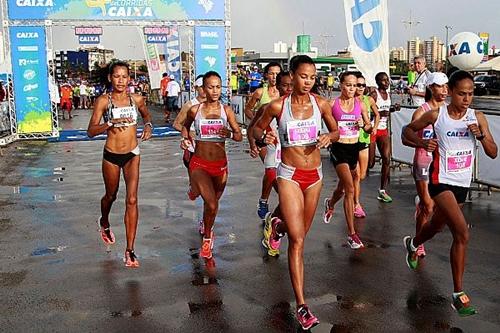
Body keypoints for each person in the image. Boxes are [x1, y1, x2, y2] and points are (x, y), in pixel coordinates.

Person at [253, 55, 339, 330]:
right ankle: (302, 305)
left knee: (299, 232)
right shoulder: (278, 105)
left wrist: (329, 137)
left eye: (313, 77)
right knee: (298, 240)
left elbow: (337, 129)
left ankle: (277, 226)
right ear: (293, 75)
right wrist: (262, 136)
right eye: (304, 76)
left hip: (314, 177)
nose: (308, 81)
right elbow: (255, 126)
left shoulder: (321, 103)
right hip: (288, 174)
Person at [402, 70, 497, 317]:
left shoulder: (477, 117)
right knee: (462, 233)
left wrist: (482, 134)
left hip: (462, 183)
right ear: (451, 93)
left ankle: (413, 243)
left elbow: (493, 152)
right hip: (440, 180)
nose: (467, 99)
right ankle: (458, 294)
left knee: (436, 225)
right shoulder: (437, 115)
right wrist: (422, 143)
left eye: (471, 93)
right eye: (462, 94)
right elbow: (406, 132)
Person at [87, 61, 153, 268]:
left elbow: (146, 114)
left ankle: (130, 250)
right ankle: (104, 222)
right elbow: (90, 131)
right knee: (111, 195)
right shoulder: (103, 102)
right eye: (117, 76)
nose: (121, 80)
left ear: (129, 79)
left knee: (132, 200)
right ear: (110, 78)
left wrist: (148, 125)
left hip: (133, 153)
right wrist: (108, 124)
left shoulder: (136, 99)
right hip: (112, 155)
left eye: (125, 77)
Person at [180, 71, 243, 260]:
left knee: (212, 206)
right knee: (212, 203)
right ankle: (207, 239)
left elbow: (239, 136)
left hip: (220, 165)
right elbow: (185, 126)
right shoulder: (195, 110)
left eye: (218, 87)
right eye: (210, 87)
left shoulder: (227, 111)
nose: (215, 91)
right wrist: (185, 139)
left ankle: (206, 223)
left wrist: (230, 134)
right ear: (203, 89)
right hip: (199, 163)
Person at [323, 72, 372, 248]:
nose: (352, 89)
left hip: (354, 149)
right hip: (338, 149)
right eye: (349, 85)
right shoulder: (332, 104)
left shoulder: (360, 104)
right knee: (350, 188)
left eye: (355, 85)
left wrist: (363, 125)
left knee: (342, 189)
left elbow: (369, 128)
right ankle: (351, 234)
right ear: (341, 85)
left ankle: (330, 203)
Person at [402, 72, 448, 258]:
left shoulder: (448, 111)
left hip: (441, 165)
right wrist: (422, 144)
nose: (444, 90)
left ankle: (421, 203)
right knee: (428, 207)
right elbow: (405, 138)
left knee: (436, 208)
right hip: (423, 161)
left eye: (446, 86)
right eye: (439, 86)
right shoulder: (422, 111)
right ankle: (418, 243)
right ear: (430, 87)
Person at [255, 71, 293, 256]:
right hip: (273, 160)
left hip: (293, 164)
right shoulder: (269, 107)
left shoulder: (305, 108)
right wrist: (260, 139)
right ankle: (275, 232)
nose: (289, 89)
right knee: (288, 201)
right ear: (277, 87)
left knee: (290, 204)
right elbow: (253, 129)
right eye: (285, 85)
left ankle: (274, 222)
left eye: (292, 85)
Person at [244, 62, 282, 219]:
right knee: (271, 170)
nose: (274, 77)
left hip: (279, 138)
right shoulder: (260, 92)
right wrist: (259, 120)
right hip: (263, 137)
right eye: (272, 73)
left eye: (277, 74)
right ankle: (264, 201)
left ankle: (279, 200)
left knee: (278, 172)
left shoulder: (285, 92)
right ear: (266, 75)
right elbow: (247, 109)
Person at [369, 72, 400, 203]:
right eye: (384, 81)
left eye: (387, 80)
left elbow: (386, 110)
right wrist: (379, 113)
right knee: (370, 165)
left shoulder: (388, 95)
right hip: (371, 129)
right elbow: (366, 110)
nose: (387, 83)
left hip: (383, 130)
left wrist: (393, 109)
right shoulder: (374, 94)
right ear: (378, 82)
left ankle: (382, 190)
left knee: (386, 158)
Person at [353, 73, 379, 218]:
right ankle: (356, 203)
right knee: (356, 176)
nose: (361, 88)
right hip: (351, 141)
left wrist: (373, 127)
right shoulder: (349, 101)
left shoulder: (368, 100)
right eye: (358, 85)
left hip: (365, 138)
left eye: (363, 85)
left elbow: (377, 114)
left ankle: (350, 189)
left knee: (362, 174)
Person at [173, 75, 206, 171]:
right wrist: (190, 133)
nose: (204, 90)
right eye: (201, 87)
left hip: (210, 149)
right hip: (193, 149)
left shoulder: (214, 105)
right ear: (196, 88)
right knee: (196, 182)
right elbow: (177, 124)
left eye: (206, 87)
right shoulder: (190, 105)